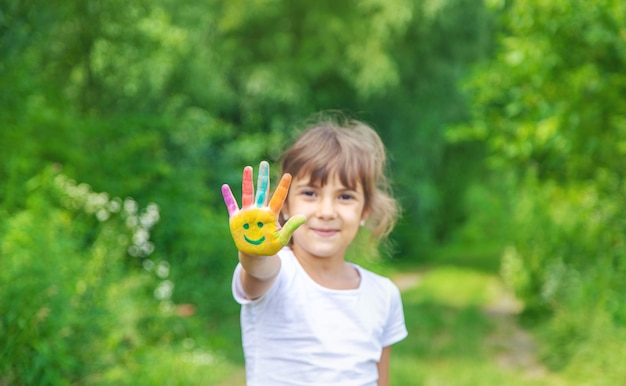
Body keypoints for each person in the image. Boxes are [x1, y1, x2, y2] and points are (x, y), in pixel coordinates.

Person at [221, 114, 408, 386]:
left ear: (365, 210)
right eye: (310, 193)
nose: (326, 212)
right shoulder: (278, 273)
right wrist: (255, 247)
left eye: (345, 197)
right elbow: (258, 271)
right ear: (284, 204)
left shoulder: (384, 294)